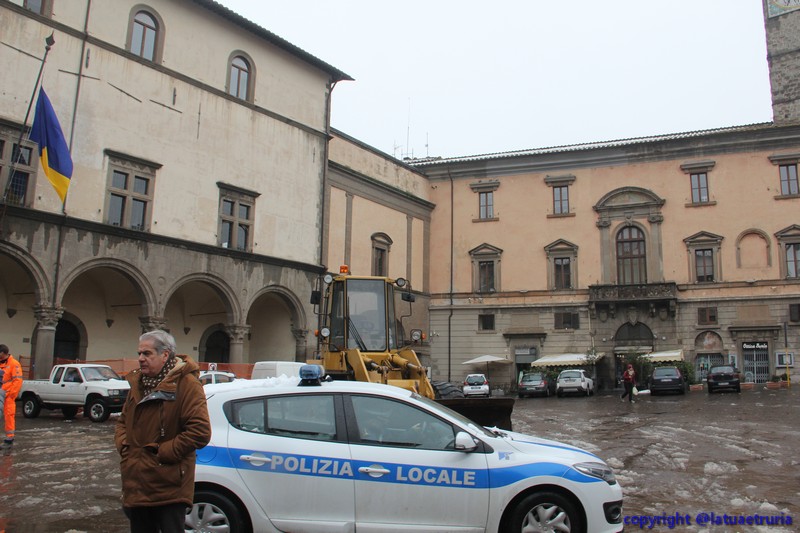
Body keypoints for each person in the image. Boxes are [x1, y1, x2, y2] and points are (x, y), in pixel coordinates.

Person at [115, 330, 211, 533]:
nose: (141, 358)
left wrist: (162, 453)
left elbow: (200, 431)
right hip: (136, 481)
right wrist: (124, 446)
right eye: (139, 353)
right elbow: (123, 420)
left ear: (165, 355)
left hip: (168, 485)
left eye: (147, 353)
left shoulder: (187, 385)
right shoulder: (138, 384)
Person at [0, 345, 23, 447]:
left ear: (2, 353)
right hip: (2, 394)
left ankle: (9, 438)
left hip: (8, 395)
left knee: (9, 415)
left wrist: (11, 395)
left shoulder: (14, 364)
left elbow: (17, 381)